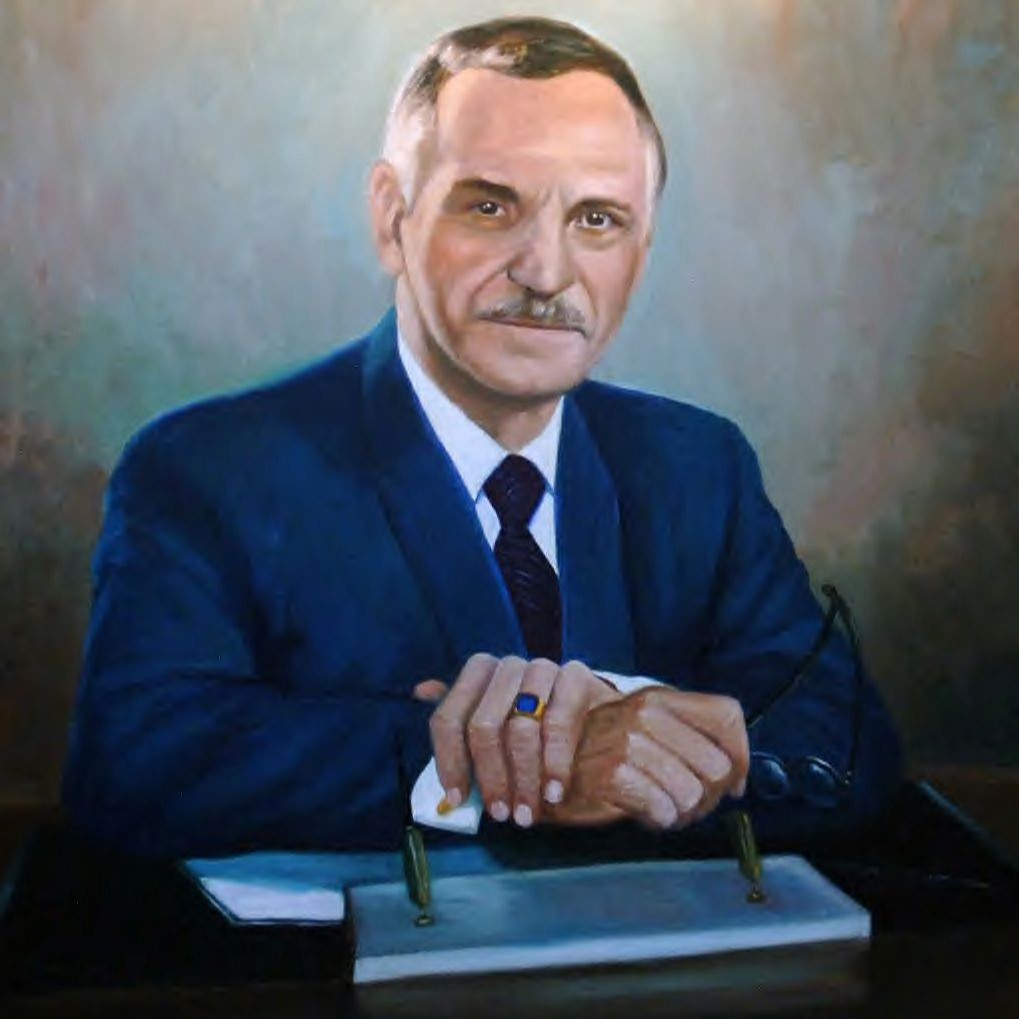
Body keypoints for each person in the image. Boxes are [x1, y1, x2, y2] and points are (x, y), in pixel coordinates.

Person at [62, 17, 901, 857]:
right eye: (491, 206)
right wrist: (514, 757)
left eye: (597, 219)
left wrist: (643, 736)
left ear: (642, 250)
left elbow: (845, 743)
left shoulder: (697, 467)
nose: (545, 272)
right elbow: (134, 764)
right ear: (392, 218)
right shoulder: (209, 471)